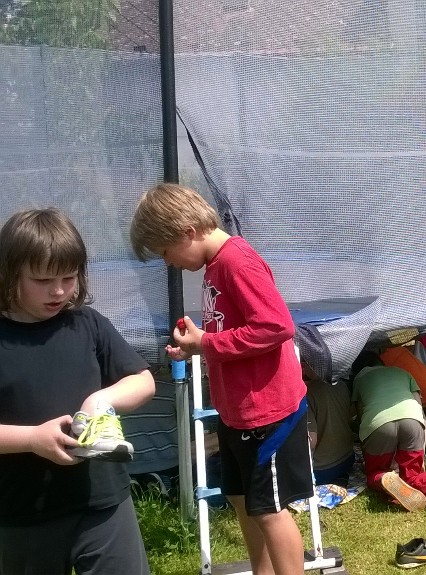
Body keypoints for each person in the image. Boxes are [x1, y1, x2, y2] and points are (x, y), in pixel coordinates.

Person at [131, 183, 311, 575]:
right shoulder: (216, 265)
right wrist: (195, 347)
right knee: (243, 501)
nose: (168, 263)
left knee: (270, 511)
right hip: (237, 414)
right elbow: (232, 334)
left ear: (187, 232)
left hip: (267, 414)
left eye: (165, 252)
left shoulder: (236, 262)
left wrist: (207, 342)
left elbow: (276, 326)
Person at [0, 208, 156, 574]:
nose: (58, 291)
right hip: (22, 513)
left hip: (103, 503)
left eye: (69, 278)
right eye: (42, 279)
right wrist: (32, 439)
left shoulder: (87, 324)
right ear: (8, 273)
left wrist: (100, 399)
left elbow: (143, 381)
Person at [350, 350, 426, 520]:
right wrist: (421, 448)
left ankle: (385, 477)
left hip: (379, 425)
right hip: (413, 420)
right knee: (413, 474)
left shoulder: (359, 379)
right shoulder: (402, 372)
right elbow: (418, 406)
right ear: (381, 362)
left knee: (375, 471)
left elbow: (360, 415)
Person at [301, 362, 355, 486]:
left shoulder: (307, 393)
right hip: (348, 459)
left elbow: (311, 440)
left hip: (323, 469)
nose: (302, 367)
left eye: (304, 364)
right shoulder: (342, 385)